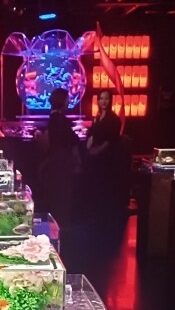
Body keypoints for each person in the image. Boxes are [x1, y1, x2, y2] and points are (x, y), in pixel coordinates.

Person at [36, 87, 81, 225]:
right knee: (63, 194)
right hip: (63, 160)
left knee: (56, 193)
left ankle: (56, 223)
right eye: (67, 99)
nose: (69, 102)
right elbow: (73, 140)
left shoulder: (53, 118)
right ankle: (63, 224)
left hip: (55, 160)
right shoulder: (61, 120)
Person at [84, 89, 123, 226]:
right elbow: (91, 134)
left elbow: (111, 140)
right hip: (95, 158)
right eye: (101, 99)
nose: (104, 101)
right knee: (95, 188)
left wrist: (98, 151)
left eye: (106, 98)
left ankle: (104, 220)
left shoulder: (114, 119)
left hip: (107, 159)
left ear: (110, 100)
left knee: (105, 188)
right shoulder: (97, 117)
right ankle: (94, 217)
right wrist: (89, 146)